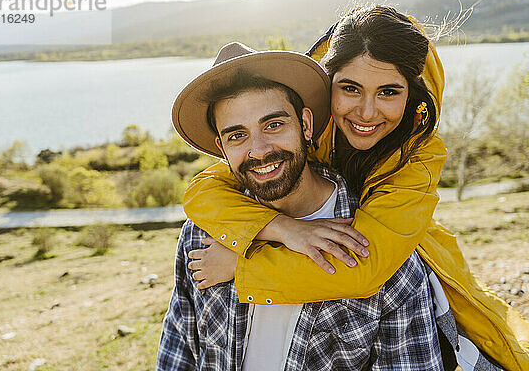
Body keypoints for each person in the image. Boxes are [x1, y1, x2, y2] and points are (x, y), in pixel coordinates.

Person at [180, 6, 529, 370]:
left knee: (480, 336)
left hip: (392, 243)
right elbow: (204, 190)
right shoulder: (291, 131)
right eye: (350, 88)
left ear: (412, 97)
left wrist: (242, 267)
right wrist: (282, 228)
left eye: (388, 92)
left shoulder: (419, 155)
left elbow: (365, 269)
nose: (365, 112)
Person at [157, 44, 445, 370]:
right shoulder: (202, 236)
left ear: (306, 125)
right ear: (221, 148)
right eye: (238, 135)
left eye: (274, 125)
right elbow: (178, 352)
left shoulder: (381, 250)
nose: (259, 150)